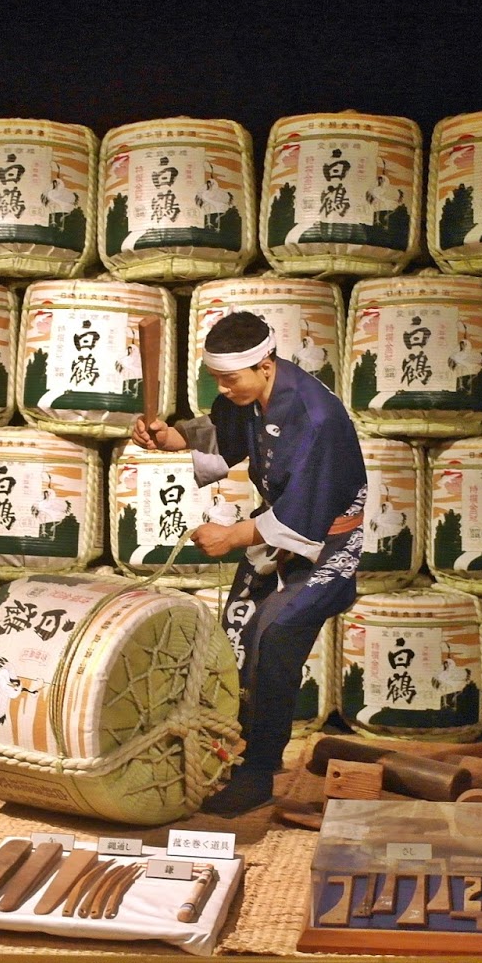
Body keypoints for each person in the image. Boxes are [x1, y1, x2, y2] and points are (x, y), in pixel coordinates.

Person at [131, 310, 367, 814]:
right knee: (235, 633)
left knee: (273, 633)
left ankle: (259, 771)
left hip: (327, 544)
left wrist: (231, 537)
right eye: (216, 378)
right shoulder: (247, 396)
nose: (224, 388)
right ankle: (226, 754)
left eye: (230, 378)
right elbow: (224, 439)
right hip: (277, 535)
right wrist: (166, 436)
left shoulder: (314, 415)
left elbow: (309, 510)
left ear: (264, 363)